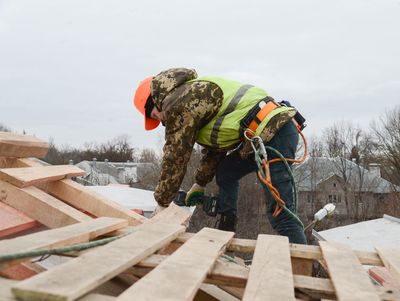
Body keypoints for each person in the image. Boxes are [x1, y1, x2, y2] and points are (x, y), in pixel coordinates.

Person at [133, 68, 307, 244]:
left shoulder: (177, 103)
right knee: (226, 173)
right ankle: (226, 229)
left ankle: (302, 266)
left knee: (281, 215)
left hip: (274, 134)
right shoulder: (193, 93)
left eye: (156, 115)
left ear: (155, 100)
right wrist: (200, 183)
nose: (162, 120)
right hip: (261, 137)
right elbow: (216, 148)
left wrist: (163, 202)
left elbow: (176, 156)